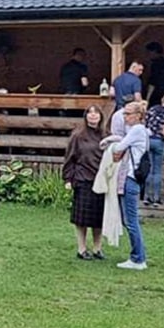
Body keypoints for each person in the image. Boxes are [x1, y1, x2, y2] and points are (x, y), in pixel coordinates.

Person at [109, 98, 152, 270]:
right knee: (130, 220)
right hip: (133, 179)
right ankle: (138, 255)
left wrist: (110, 145)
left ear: (137, 115)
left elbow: (119, 147)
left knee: (131, 221)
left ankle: (138, 258)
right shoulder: (141, 131)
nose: (124, 116)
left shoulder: (137, 130)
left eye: (127, 113)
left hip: (130, 179)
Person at [63, 107, 107, 259]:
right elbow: (70, 158)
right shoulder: (78, 136)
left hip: (101, 180)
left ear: (100, 116)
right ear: (86, 116)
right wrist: (68, 179)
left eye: (96, 112)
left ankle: (97, 248)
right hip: (83, 179)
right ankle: (81, 249)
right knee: (82, 218)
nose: (93, 115)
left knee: (98, 217)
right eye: (90, 112)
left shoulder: (106, 135)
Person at [141, 93, 164, 206]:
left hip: (148, 140)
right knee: (157, 170)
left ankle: (146, 197)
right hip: (160, 141)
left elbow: (145, 123)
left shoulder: (152, 110)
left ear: (162, 99)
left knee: (149, 168)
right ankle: (156, 198)